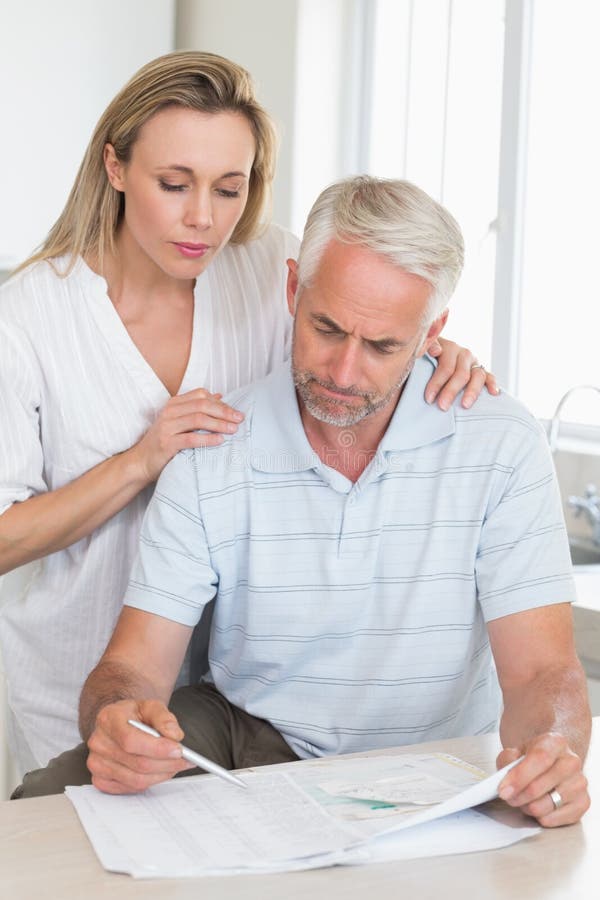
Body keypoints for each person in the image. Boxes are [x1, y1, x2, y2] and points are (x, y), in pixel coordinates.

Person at [14, 176, 590, 828]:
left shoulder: (501, 444)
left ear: (434, 331)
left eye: (382, 346)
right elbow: (130, 667)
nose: (344, 374)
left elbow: (542, 673)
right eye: (326, 328)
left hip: (431, 765)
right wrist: (116, 719)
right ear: (293, 288)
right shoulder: (213, 449)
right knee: (44, 813)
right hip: (246, 738)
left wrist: (556, 751)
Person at [0, 52, 496, 775]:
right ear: (114, 168)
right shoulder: (29, 317)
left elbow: (366, 325)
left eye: (230, 189)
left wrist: (442, 356)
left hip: (238, 696)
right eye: (174, 185)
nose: (204, 218)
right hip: (77, 678)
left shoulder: (270, 271)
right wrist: (140, 462)